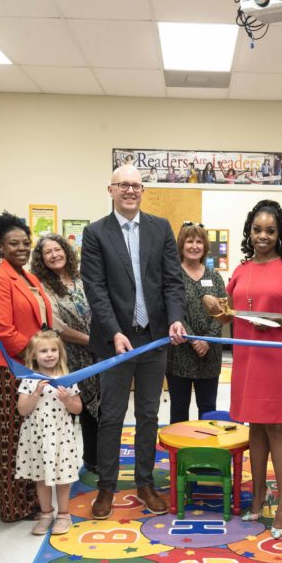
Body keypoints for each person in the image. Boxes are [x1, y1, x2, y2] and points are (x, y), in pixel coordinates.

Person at [80, 165, 187, 520]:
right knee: (111, 416)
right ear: (110, 190)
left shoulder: (160, 228)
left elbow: (173, 281)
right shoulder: (95, 233)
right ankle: (107, 487)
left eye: (136, 186)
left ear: (143, 191)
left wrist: (175, 318)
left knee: (148, 414)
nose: (130, 191)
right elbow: (95, 289)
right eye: (123, 185)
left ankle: (144, 483)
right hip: (115, 341)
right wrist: (114, 331)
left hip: (154, 339)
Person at [214, 200, 282, 539]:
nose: (263, 236)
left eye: (270, 230)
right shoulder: (242, 269)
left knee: (276, 430)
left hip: (276, 356)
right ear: (249, 232)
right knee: (255, 429)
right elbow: (229, 311)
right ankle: (258, 497)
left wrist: (281, 320)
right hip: (246, 357)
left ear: (280, 233)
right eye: (257, 230)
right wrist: (214, 305)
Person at [0, 212, 54, 522]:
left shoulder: (29, 276)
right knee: (12, 440)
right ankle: (14, 506)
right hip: (10, 370)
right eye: (14, 243)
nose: (22, 248)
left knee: (33, 438)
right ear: (0, 246)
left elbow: (43, 321)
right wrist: (38, 355)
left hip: (33, 368)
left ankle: (33, 499)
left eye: (26, 242)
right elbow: (4, 331)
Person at [30, 234, 100, 474]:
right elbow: (56, 325)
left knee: (94, 408)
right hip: (65, 356)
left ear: (66, 251)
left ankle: (93, 461)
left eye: (57, 249)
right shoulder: (42, 286)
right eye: (47, 252)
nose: (54, 255)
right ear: (41, 259)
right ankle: (61, 465)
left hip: (95, 355)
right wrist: (92, 341)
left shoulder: (82, 278)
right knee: (66, 407)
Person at [15, 330, 83, 536]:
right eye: (43, 351)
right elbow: (22, 410)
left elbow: (78, 409)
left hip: (61, 435)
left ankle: (63, 515)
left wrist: (67, 400)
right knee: (41, 477)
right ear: (34, 355)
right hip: (37, 437)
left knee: (63, 477)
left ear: (60, 353)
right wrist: (36, 393)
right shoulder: (29, 379)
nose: (49, 354)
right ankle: (46, 513)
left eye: (53, 350)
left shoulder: (68, 378)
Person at [166, 223, 226, 424]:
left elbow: (222, 312)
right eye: (189, 241)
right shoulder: (172, 275)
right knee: (179, 407)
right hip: (180, 353)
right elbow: (172, 310)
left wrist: (206, 341)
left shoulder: (214, 277)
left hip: (210, 355)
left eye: (199, 241)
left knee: (208, 408)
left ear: (205, 246)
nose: (194, 246)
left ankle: (206, 452)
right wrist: (194, 340)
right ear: (181, 245)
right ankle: (180, 453)